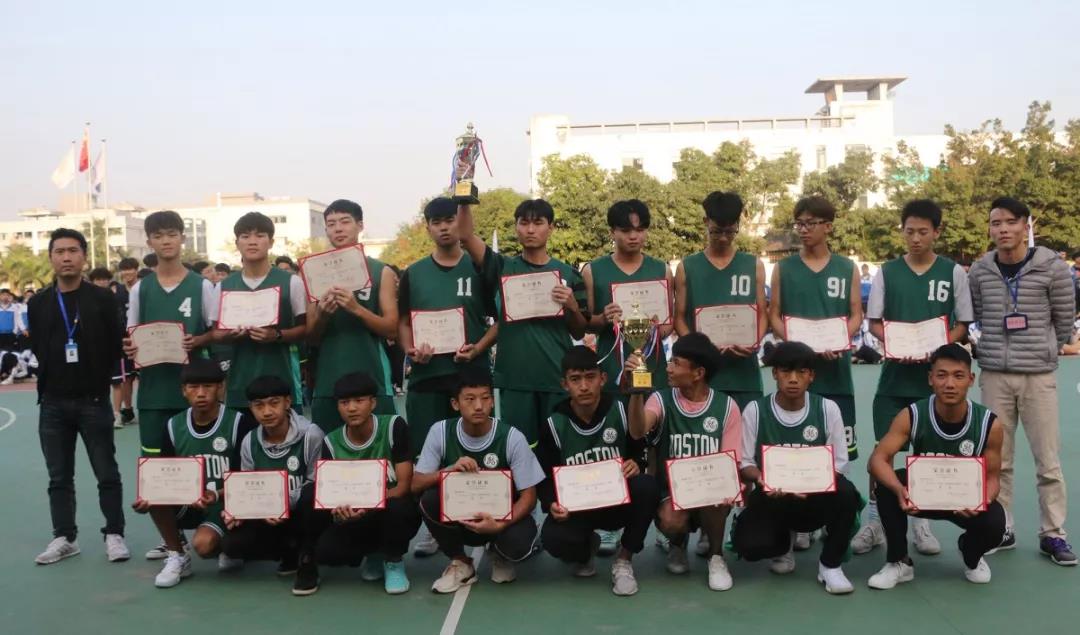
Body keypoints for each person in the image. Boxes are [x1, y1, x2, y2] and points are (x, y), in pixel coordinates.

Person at [852, 200, 973, 557]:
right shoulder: (888, 272)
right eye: (909, 231)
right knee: (883, 452)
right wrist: (895, 343)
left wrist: (937, 350)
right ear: (902, 232)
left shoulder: (953, 272)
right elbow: (875, 323)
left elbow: (963, 324)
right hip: (893, 381)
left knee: (926, 453)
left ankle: (921, 521)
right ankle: (875, 521)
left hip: (934, 383)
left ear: (937, 232)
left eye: (923, 231)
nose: (916, 238)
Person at [968, 196, 1076, 566]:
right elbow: (977, 313)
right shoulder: (980, 271)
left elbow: (1064, 319)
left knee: (1048, 460)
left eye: (1010, 222)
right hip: (995, 375)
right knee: (998, 459)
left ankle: (1053, 534)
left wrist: (1045, 350)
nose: (1002, 229)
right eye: (995, 223)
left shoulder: (1052, 267)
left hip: (1038, 376)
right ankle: (1003, 528)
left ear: (1025, 225)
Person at [398, 197, 496, 556]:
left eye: (449, 220)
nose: (443, 227)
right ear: (427, 227)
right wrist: (410, 350)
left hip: (470, 374)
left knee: (477, 449)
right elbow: (403, 322)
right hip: (427, 377)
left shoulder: (480, 266)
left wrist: (479, 347)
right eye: (436, 221)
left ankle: (484, 515)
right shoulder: (413, 273)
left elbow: (502, 318)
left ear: (460, 223)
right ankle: (434, 524)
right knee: (428, 454)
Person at [28, 228, 129, 565]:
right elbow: (39, 347)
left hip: (94, 400)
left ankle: (114, 533)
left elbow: (116, 344)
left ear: (84, 256)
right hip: (53, 403)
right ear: (51, 257)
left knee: (106, 472)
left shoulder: (102, 299)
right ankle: (65, 537)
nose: (66, 257)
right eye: (60, 251)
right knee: (58, 476)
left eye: (73, 250)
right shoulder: (38, 302)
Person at [867, 344, 1007, 587]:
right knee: (887, 486)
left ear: (971, 379)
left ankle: (971, 555)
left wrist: (982, 500)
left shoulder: (988, 423)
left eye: (958, 376)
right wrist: (899, 490)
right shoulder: (912, 414)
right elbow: (877, 460)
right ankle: (899, 561)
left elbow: (993, 477)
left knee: (996, 523)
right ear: (930, 379)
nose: (949, 384)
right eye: (942, 375)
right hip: (922, 496)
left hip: (964, 502)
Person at [768, 196, 861, 550]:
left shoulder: (847, 268)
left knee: (838, 449)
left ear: (828, 226)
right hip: (797, 372)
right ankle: (798, 521)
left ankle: (829, 514)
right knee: (795, 445)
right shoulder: (784, 268)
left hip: (836, 374)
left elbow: (856, 313)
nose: (804, 230)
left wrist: (841, 338)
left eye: (811, 223)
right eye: (800, 223)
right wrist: (798, 347)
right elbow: (774, 314)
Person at [457, 199, 588, 445]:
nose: (530, 229)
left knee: (558, 448)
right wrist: (464, 195)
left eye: (538, 223)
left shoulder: (569, 274)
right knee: (519, 449)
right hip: (515, 379)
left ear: (551, 227)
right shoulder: (502, 267)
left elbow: (580, 331)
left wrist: (572, 306)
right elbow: (465, 236)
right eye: (524, 223)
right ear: (516, 227)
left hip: (556, 377)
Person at [732, 341, 858, 595]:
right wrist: (763, 479)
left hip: (815, 496)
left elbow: (839, 463)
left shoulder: (827, 409)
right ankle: (782, 546)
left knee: (847, 493)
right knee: (750, 545)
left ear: (812, 376)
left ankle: (830, 565)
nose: (793, 379)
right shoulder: (755, 410)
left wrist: (810, 485)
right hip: (772, 494)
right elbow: (745, 463)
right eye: (785, 371)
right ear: (774, 373)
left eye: (801, 372)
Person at [536, 346, 659, 596]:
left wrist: (636, 463)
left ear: (602, 379)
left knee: (647, 487)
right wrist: (551, 504)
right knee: (553, 538)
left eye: (590, 377)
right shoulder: (554, 424)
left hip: (616, 505)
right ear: (564, 384)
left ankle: (624, 559)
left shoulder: (621, 411)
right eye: (575, 379)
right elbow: (545, 478)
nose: (584, 386)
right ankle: (585, 550)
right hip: (578, 509)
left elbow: (639, 448)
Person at [626, 332, 743, 591]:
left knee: (719, 494)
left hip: (709, 489)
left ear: (698, 373)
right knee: (671, 520)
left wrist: (727, 489)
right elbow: (637, 430)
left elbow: (731, 462)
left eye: (676, 363)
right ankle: (677, 544)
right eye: (670, 361)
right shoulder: (661, 399)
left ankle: (716, 556)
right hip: (672, 492)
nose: (668, 368)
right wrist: (636, 393)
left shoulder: (727, 407)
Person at [412, 369, 545, 593]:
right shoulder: (440, 432)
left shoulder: (511, 437)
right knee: (429, 500)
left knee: (519, 546)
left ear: (492, 401)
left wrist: (500, 524)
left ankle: (500, 553)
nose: (479, 406)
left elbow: (530, 497)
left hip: (501, 519)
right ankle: (461, 562)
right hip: (461, 518)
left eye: (485, 398)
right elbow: (416, 484)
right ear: (455, 404)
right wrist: (447, 471)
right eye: (470, 399)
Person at [131, 358, 254, 587]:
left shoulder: (239, 423)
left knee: (204, 545)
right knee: (154, 495)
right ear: (183, 391)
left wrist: (216, 495)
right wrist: (147, 498)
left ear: (221, 387)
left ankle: (227, 546)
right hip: (190, 501)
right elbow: (165, 476)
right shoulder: (173, 425)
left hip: (226, 503)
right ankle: (177, 555)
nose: (201, 394)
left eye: (208, 386)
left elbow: (246, 478)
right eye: (194, 387)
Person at [295, 372, 420, 596]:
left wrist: (368, 504)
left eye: (359, 401)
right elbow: (330, 495)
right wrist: (339, 512)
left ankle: (393, 560)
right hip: (354, 514)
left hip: (389, 509)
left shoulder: (393, 426)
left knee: (400, 507)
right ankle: (371, 553)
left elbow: (403, 486)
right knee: (325, 546)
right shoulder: (331, 442)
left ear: (373, 402)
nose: (352, 408)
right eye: (344, 403)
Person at [124, 211, 219, 463]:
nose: (166, 241)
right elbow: (132, 335)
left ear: (182, 238)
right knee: (154, 463)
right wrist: (130, 347)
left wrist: (199, 340)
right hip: (152, 393)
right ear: (149, 242)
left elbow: (217, 332)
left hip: (194, 393)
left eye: (172, 234)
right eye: (158, 236)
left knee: (193, 461)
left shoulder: (202, 286)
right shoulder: (140, 289)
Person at [306, 199, 398, 432]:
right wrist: (322, 316)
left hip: (373, 377)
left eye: (345, 222)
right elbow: (310, 337)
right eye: (331, 224)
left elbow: (391, 329)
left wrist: (357, 309)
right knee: (327, 449)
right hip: (328, 381)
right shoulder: (312, 271)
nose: (338, 228)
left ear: (360, 225)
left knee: (380, 446)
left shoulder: (381, 271)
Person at [221, 375, 324, 580]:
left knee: (311, 496)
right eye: (258, 405)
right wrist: (238, 510)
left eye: (274, 403)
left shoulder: (311, 435)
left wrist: (279, 503)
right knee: (231, 544)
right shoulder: (249, 440)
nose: (267, 412)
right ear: (251, 408)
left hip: (302, 514)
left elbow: (316, 484)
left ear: (287, 402)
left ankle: (307, 557)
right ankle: (288, 554)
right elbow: (247, 487)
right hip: (268, 514)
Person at [213, 212, 308, 415]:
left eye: (260, 235)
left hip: (281, 382)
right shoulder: (223, 286)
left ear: (271, 242)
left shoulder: (291, 282)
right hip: (239, 386)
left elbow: (305, 328)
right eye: (245, 236)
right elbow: (215, 333)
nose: (252, 241)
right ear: (237, 243)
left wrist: (277, 335)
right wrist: (230, 335)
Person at [0, 287, 26, 353]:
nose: (5, 297)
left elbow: (18, 319)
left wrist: (23, 329)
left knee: (9, 352)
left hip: (11, 334)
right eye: (3, 295)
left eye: (7, 295)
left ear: (9, 296)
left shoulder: (14, 307)